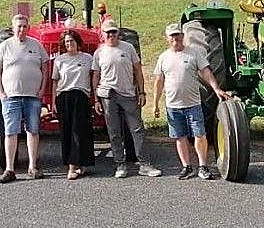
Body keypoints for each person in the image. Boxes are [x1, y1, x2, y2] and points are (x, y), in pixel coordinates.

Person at [154, 22, 232, 180]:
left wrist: (216, 88)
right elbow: (159, 81)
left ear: (182, 36)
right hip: (173, 106)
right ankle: (186, 167)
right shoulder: (163, 58)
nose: (175, 38)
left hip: (193, 104)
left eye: (178, 34)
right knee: (180, 137)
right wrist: (155, 103)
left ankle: (203, 166)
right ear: (167, 38)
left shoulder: (194, 53)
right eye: (172, 35)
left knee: (200, 135)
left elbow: (206, 72)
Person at [93, 20, 161, 178]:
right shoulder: (99, 52)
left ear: (118, 33)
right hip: (108, 95)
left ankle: (144, 164)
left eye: (113, 32)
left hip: (128, 94)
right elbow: (96, 76)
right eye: (108, 32)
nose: (111, 35)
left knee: (137, 130)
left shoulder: (128, 48)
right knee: (114, 131)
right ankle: (120, 164)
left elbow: (138, 70)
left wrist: (142, 92)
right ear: (103, 34)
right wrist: (96, 99)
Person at [0, 14, 47, 182]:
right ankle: (10, 169)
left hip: (32, 96)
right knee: (10, 132)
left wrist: (42, 89)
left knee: (33, 130)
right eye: (19, 26)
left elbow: (45, 68)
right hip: (11, 97)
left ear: (28, 27)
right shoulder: (5, 46)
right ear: (13, 28)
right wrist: (1, 93)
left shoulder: (36, 45)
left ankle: (32, 166)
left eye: (24, 26)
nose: (22, 29)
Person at [51, 29, 97, 180]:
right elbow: (55, 82)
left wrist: (95, 98)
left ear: (77, 42)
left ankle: (82, 163)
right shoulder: (59, 60)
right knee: (67, 131)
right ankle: (71, 166)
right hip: (64, 96)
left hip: (81, 95)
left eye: (72, 41)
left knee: (81, 130)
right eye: (67, 42)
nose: (69, 44)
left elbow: (94, 77)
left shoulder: (87, 58)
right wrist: (53, 102)